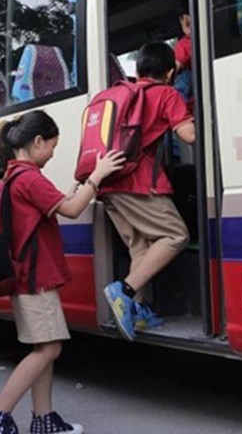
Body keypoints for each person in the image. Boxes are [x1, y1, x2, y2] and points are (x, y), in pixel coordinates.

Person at [0, 110, 124, 434]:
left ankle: (44, 419)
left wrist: (79, 186)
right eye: (52, 146)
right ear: (37, 141)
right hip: (35, 278)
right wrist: (97, 177)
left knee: (43, 348)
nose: (54, 153)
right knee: (49, 348)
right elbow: (71, 210)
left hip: (29, 276)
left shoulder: (11, 176)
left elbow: (56, 206)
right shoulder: (28, 177)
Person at [100, 41, 196, 341]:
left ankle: (136, 311)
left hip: (108, 183)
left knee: (140, 248)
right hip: (137, 183)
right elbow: (189, 136)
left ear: (139, 69)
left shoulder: (120, 94)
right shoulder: (166, 93)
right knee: (174, 235)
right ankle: (124, 292)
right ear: (169, 73)